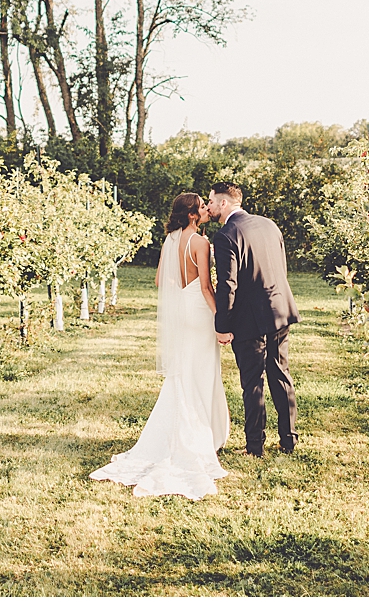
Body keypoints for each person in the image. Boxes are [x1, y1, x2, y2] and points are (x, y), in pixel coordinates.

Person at [90, 192, 231, 499]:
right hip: (199, 314)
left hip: (182, 315)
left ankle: (182, 436)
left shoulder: (170, 241)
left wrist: (181, 293)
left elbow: (159, 281)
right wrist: (222, 319)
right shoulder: (200, 243)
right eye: (202, 208)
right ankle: (200, 439)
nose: (207, 210)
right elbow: (207, 287)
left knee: (183, 375)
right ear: (193, 215)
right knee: (203, 374)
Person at [209, 182, 299, 456]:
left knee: (253, 381)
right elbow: (280, 268)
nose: (209, 205)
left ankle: (255, 446)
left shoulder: (225, 235)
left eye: (211, 201)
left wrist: (222, 326)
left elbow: (227, 285)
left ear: (224, 204)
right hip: (280, 310)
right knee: (280, 373)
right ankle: (289, 438)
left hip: (249, 320)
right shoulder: (269, 225)